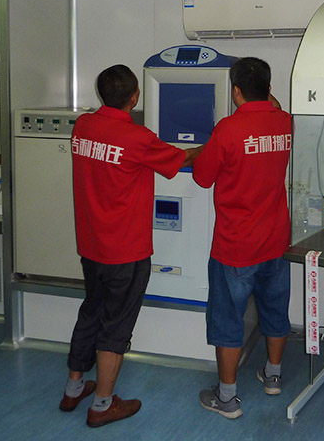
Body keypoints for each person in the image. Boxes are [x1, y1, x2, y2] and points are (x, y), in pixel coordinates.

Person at [58, 64, 201, 428]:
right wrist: (213, 143)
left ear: (101, 93)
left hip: (91, 245)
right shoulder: (137, 138)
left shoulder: (83, 127)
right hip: (126, 251)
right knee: (116, 327)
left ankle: (75, 388)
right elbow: (180, 158)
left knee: (91, 311)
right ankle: (103, 405)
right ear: (135, 97)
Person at [192, 57, 292, 419]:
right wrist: (265, 97)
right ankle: (273, 376)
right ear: (269, 88)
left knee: (228, 321)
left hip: (235, 246)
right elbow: (274, 106)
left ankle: (227, 398)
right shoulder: (284, 122)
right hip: (276, 240)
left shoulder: (228, 129)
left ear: (235, 91)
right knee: (275, 311)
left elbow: (202, 177)